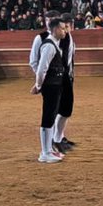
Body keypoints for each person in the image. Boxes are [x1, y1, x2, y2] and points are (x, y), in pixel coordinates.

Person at [31, 16, 68, 164]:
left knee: (51, 118)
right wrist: (38, 85)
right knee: (48, 118)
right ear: (56, 29)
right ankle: (45, 152)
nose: (65, 31)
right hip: (51, 86)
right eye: (63, 28)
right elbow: (41, 69)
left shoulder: (53, 44)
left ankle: (48, 150)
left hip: (54, 85)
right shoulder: (49, 46)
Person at [50, 18, 76, 153]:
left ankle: (59, 138)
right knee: (59, 109)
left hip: (66, 76)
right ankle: (55, 140)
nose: (66, 29)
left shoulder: (68, 38)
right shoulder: (58, 40)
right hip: (59, 78)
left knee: (64, 109)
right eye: (64, 27)